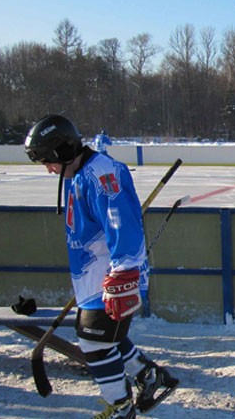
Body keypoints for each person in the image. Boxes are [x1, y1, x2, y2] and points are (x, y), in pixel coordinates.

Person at [24, 115, 178, 419]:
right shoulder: (79, 175)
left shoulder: (102, 174)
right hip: (92, 280)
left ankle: (121, 409)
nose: (48, 168)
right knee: (108, 338)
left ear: (61, 150)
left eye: (47, 161)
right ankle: (150, 377)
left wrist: (124, 272)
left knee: (93, 343)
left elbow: (124, 227)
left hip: (112, 277)